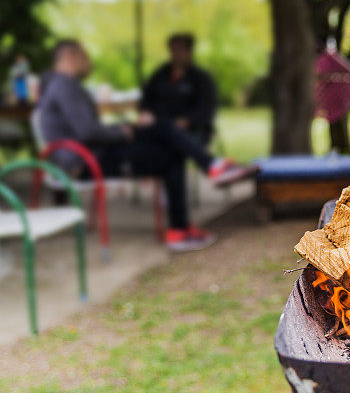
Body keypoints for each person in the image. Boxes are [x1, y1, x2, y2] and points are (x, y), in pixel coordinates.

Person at [38, 39, 235, 252]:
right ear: (70, 57)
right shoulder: (64, 85)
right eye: (85, 57)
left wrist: (123, 129)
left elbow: (87, 130)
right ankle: (188, 214)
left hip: (94, 154)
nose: (89, 63)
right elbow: (88, 131)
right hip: (85, 162)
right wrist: (121, 132)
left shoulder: (59, 85)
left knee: (162, 129)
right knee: (170, 153)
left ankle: (206, 179)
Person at [140, 33, 217, 145]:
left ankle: (208, 160)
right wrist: (146, 113)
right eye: (173, 49)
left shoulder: (201, 79)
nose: (176, 53)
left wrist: (188, 121)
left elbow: (206, 109)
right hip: (159, 126)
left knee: (171, 133)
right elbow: (146, 99)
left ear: (189, 51)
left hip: (191, 129)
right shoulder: (160, 75)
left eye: (180, 49)